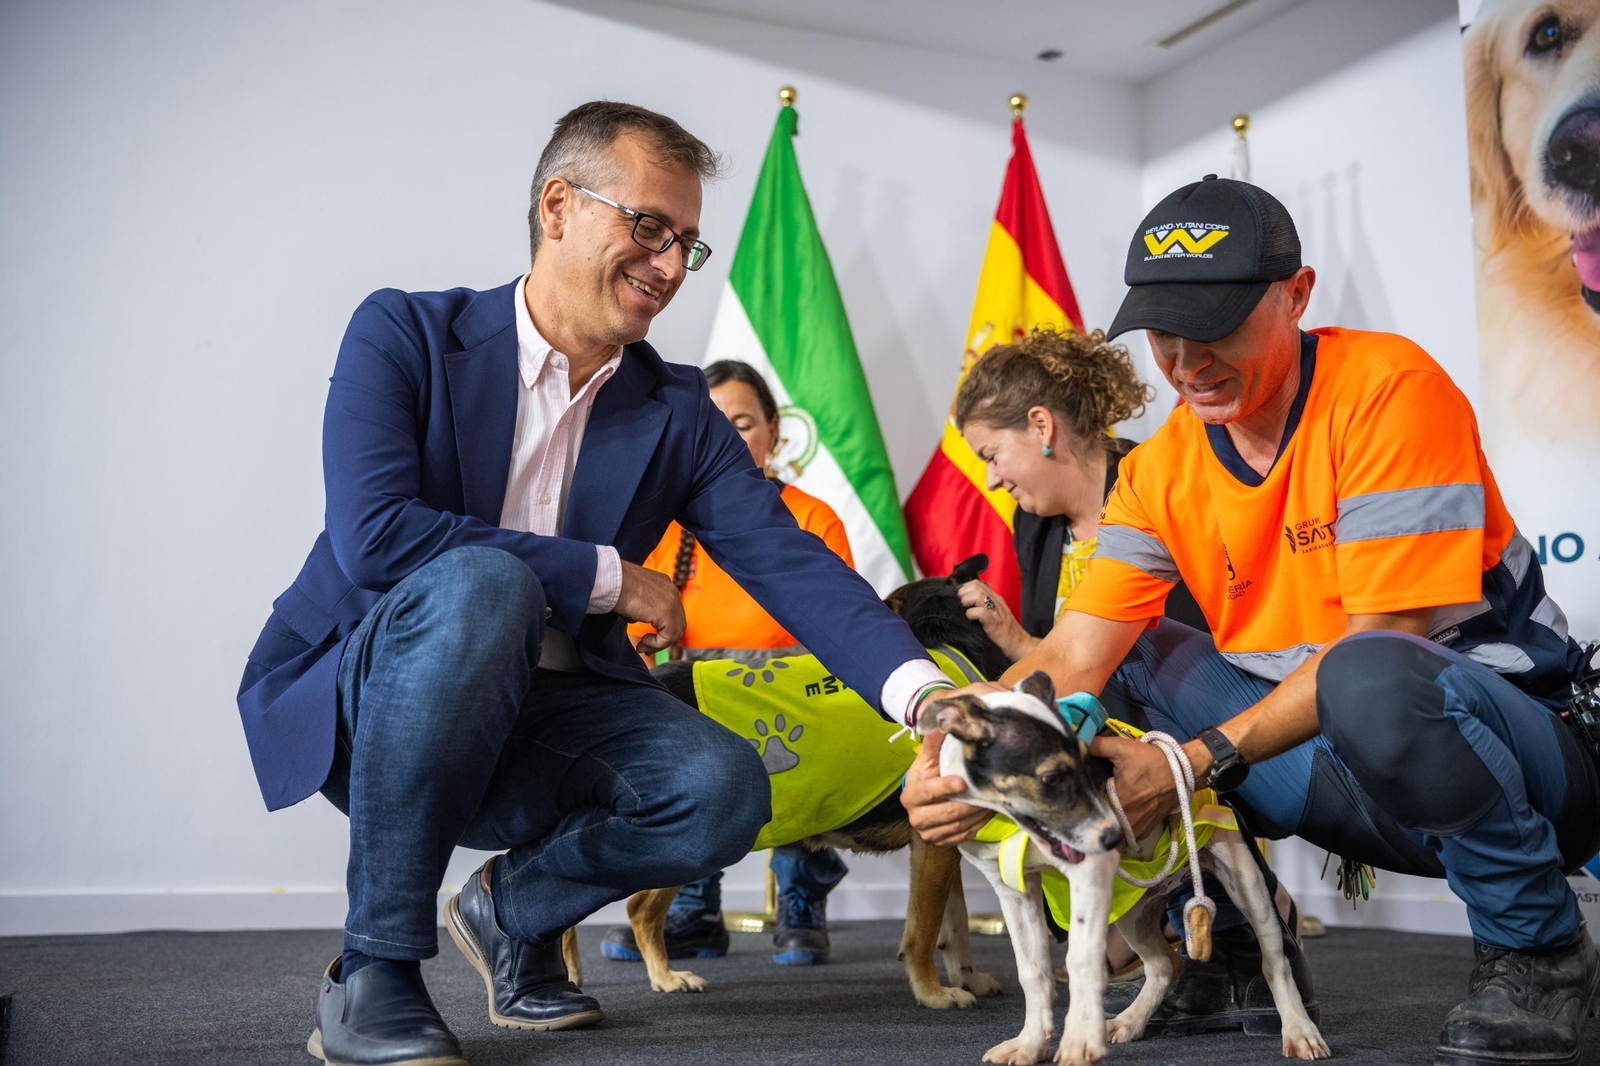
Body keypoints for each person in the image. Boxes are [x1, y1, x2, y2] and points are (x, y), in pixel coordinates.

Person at [236, 101, 957, 1066]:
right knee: (482, 584)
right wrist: (609, 577)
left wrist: (928, 697)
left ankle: (511, 911)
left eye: (687, 245)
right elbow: (375, 537)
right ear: (558, 206)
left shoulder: (680, 409)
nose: (668, 267)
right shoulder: (403, 334)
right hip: (371, 696)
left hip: (549, 713)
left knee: (724, 789)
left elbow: (788, 562)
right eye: (649, 228)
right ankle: (371, 973)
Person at [902, 174, 1600, 1066]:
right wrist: (946, 757)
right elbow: (1072, 653)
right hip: (1338, 764)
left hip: (1525, 757)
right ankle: (1233, 952)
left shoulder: (1388, 388)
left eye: (1217, 325)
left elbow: (1383, 639)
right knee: (1130, 658)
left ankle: (1539, 948)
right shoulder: (1157, 472)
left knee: (1371, 671)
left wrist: (1185, 761)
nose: (1188, 361)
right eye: (1164, 333)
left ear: (1296, 294)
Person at [946, 327, 1304, 1003]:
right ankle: (1179, 929)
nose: (992, 478)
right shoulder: (1036, 525)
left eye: (993, 454)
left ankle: (1237, 926)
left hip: (1214, 718)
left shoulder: (1161, 481)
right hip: (1108, 724)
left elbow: (1191, 646)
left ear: (1042, 427)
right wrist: (1013, 642)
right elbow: (1068, 663)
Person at [607, 358, 854, 966]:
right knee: (682, 753)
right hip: (697, 695)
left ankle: (800, 898)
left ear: (775, 432)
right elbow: (640, 635)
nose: (729, 438)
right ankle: (692, 905)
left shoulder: (815, 518)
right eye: (715, 425)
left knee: (808, 748)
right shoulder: (663, 530)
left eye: (743, 423)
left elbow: (838, 630)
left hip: (788, 694)